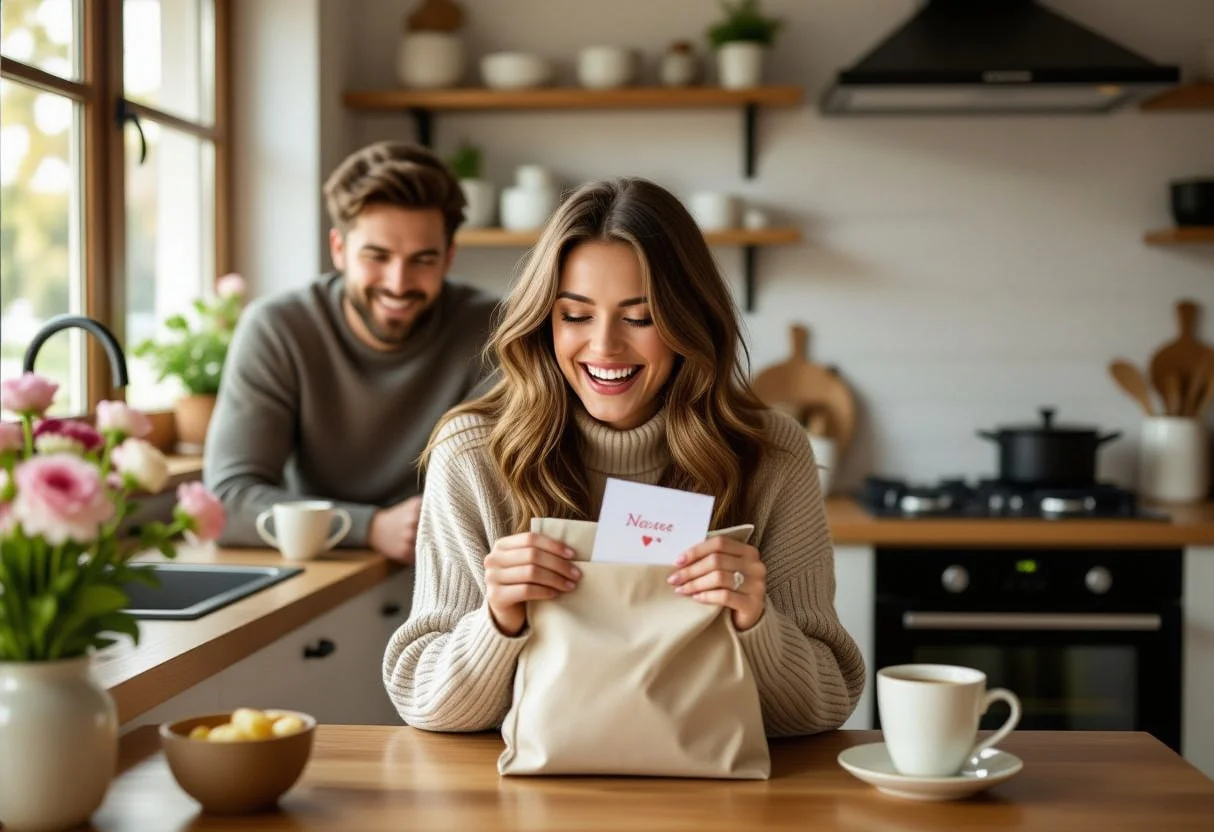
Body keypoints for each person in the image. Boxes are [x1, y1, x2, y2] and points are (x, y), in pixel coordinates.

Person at [383, 177, 865, 735]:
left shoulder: (773, 455)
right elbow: (424, 703)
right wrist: (497, 622)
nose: (605, 346)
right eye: (576, 315)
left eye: (640, 317)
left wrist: (757, 622)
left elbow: (825, 706)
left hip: (712, 802)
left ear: (690, 321)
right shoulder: (472, 456)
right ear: (544, 321)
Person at [204, 141, 497, 562]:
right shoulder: (278, 328)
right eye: (377, 256)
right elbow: (226, 503)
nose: (398, 282)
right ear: (339, 249)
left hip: (454, 564)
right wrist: (370, 526)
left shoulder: (491, 329)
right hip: (322, 567)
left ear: (449, 258)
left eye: (423, 259)